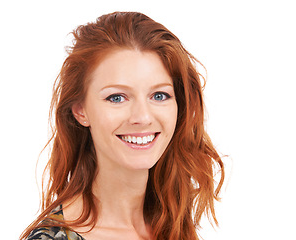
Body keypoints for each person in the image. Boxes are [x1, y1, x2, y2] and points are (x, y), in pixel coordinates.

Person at [20, 11, 225, 240]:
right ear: (80, 110)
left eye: (159, 95)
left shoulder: (172, 221)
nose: (143, 117)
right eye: (116, 98)